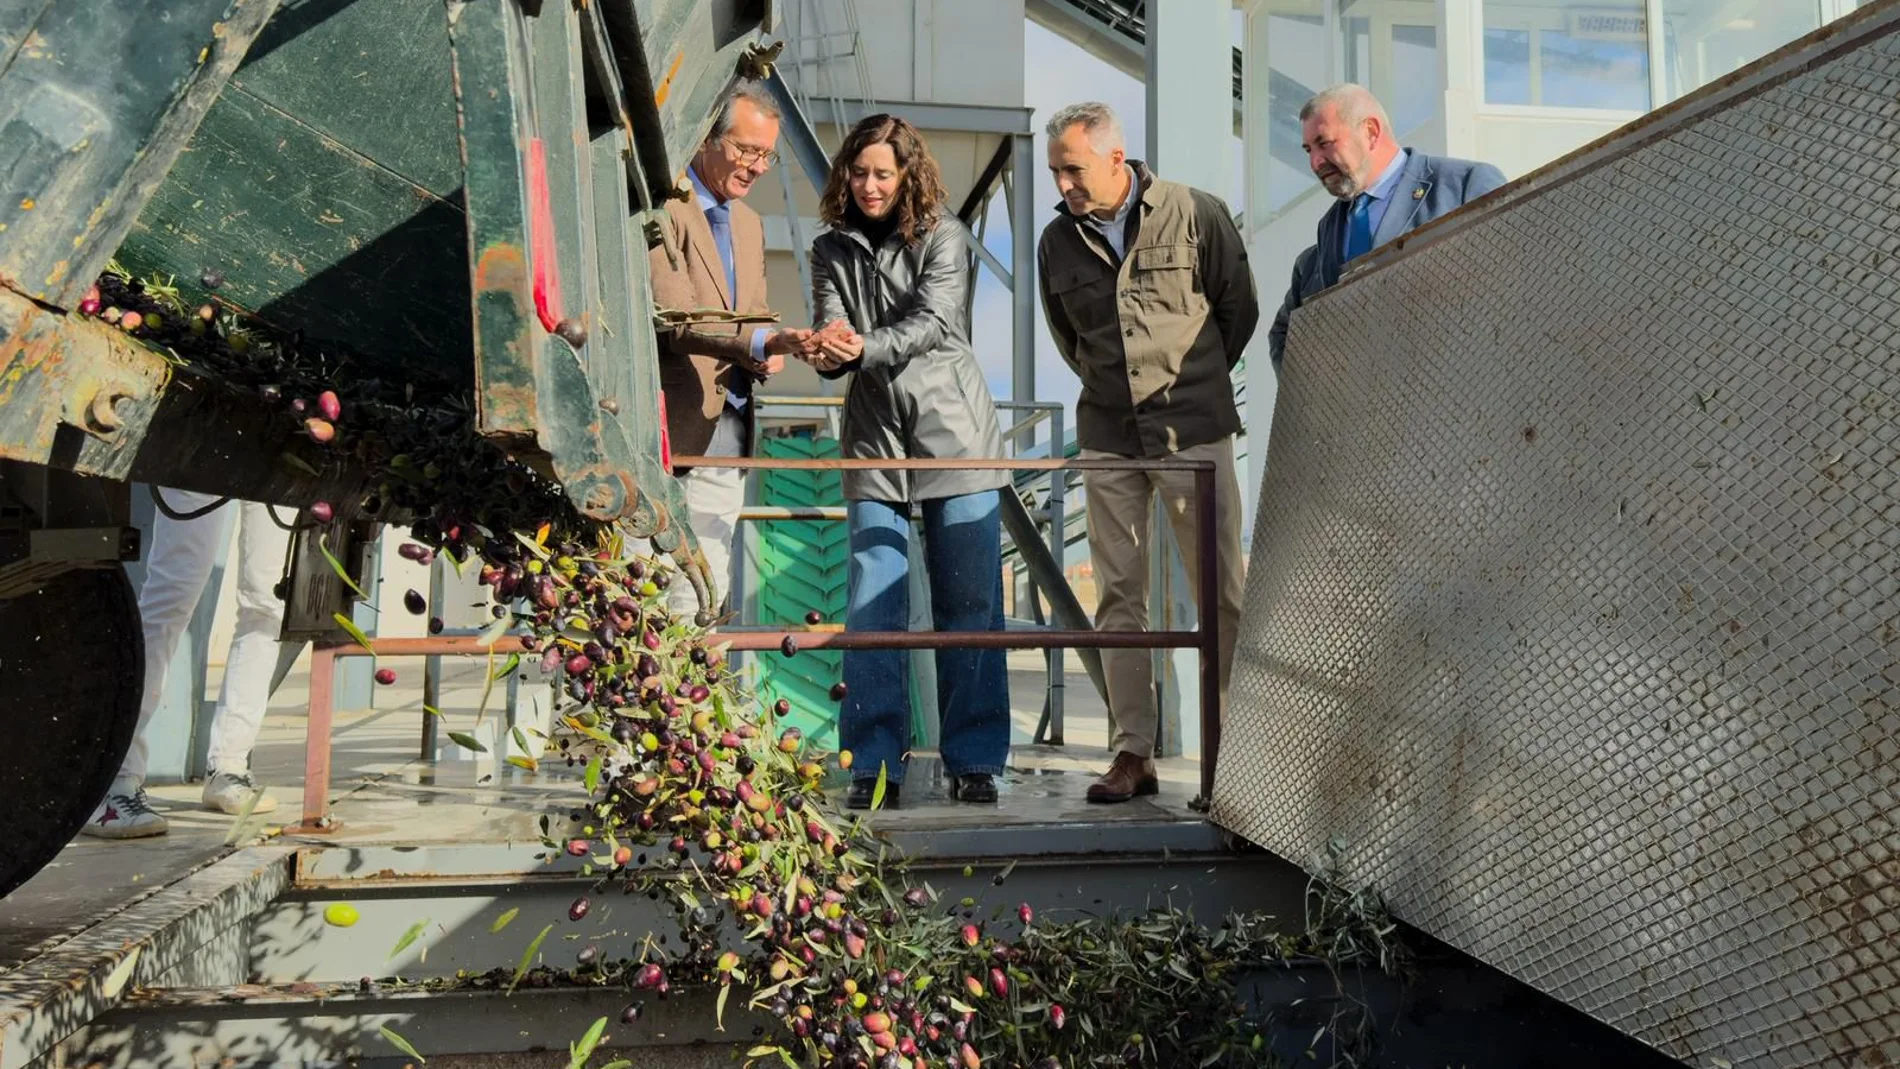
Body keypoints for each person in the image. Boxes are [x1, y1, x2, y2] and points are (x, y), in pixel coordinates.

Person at [1037, 101, 1257, 804]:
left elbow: (1238, 311)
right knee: (1117, 597)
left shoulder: (1195, 213)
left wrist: (1188, 386)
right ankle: (1133, 752)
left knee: (1220, 594)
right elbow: (1069, 339)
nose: (1063, 184)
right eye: (1055, 171)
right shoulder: (1055, 242)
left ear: (1115, 157)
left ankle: (1231, 759)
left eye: (1073, 169)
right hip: (1109, 436)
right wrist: (1118, 390)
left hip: (1192, 431)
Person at [804, 114, 1012, 810]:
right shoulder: (828, 248)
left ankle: (974, 759)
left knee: (970, 602)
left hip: (955, 432)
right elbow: (832, 323)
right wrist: (828, 348)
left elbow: (935, 321)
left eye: (883, 174)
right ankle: (873, 763)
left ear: (906, 175)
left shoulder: (944, 234)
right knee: (873, 601)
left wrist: (860, 347)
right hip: (873, 436)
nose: (869, 185)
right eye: (859, 172)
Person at [648, 82, 813, 620]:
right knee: (642, 579)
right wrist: (760, 341)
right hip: (664, 430)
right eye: (746, 150)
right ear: (706, 138)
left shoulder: (749, 224)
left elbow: (752, 316)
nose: (758, 167)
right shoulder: (660, 207)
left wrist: (771, 348)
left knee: (707, 582)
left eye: (767, 155)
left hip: (729, 428)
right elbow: (674, 318)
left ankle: (688, 671)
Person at [83, 493, 292, 838]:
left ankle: (229, 765)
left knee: (268, 603)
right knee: (173, 592)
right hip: (205, 459)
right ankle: (113, 779)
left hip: (285, 459)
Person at [1268, 84, 1507, 369]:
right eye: (1309, 150)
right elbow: (1286, 336)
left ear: (1370, 132)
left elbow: (1508, 294)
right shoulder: (1326, 235)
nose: (1315, 162)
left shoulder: (1463, 187)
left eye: (1325, 143)